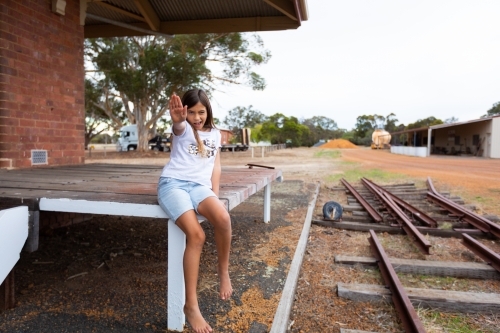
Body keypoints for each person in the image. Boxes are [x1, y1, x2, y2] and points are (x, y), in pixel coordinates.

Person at [157, 89, 232, 333]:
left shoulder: (216, 134)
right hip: (173, 185)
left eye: (201, 112)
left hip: (200, 188)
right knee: (197, 235)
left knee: (222, 217)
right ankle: (191, 306)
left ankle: (223, 271)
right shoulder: (184, 129)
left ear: (208, 111)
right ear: (185, 112)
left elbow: (215, 167)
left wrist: (215, 196)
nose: (197, 117)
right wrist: (179, 119)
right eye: (192, 112)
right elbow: (178, 126)